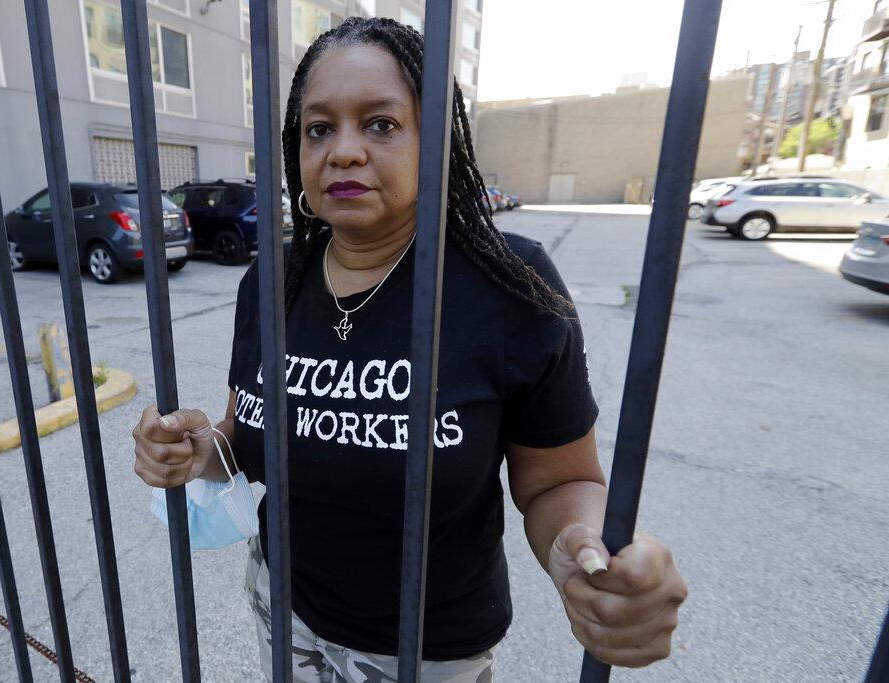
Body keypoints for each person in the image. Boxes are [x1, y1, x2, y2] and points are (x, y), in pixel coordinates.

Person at [132, 17, 687, 682]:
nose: (342, 150)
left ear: (434, 141)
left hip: (424, 650)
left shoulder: (509, 283)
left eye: (380, 124)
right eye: (318, 128)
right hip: (282, 608)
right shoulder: (270, 283)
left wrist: (583, 544)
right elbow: (245, 432)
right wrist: (196, 451)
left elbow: (560, 479)